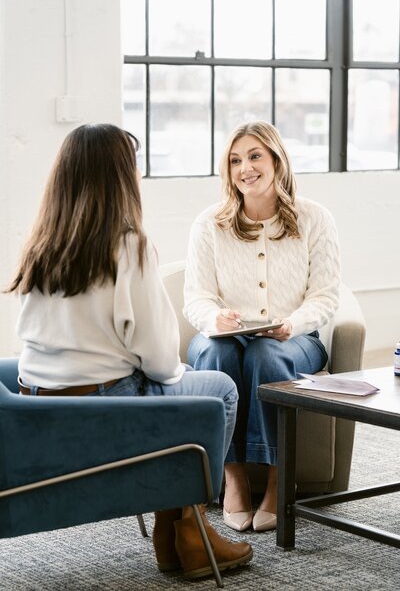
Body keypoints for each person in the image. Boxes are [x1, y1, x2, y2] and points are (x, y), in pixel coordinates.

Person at [5, 123, 252, 578]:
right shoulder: (129, 245)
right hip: (104, 406)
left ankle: (176, 529)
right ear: (120, 177)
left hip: (34, 405)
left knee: (188, 396)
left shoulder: (40, 245)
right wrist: (168, 372)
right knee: (217, 388)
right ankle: (186, 528)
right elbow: (159, 359)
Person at [183, 121, 340, 533]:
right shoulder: (209, 223)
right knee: (216, 352)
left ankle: (276, 480)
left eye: (255, 156)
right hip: (226, 335)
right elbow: (195, 297)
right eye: (235, 160)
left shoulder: (315, 218)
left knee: (265, 353)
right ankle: (232, 476)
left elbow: (325, 296)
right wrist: (212, 319)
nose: (245, 168)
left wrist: (293, 323)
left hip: (295, 338)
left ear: (276, 161)